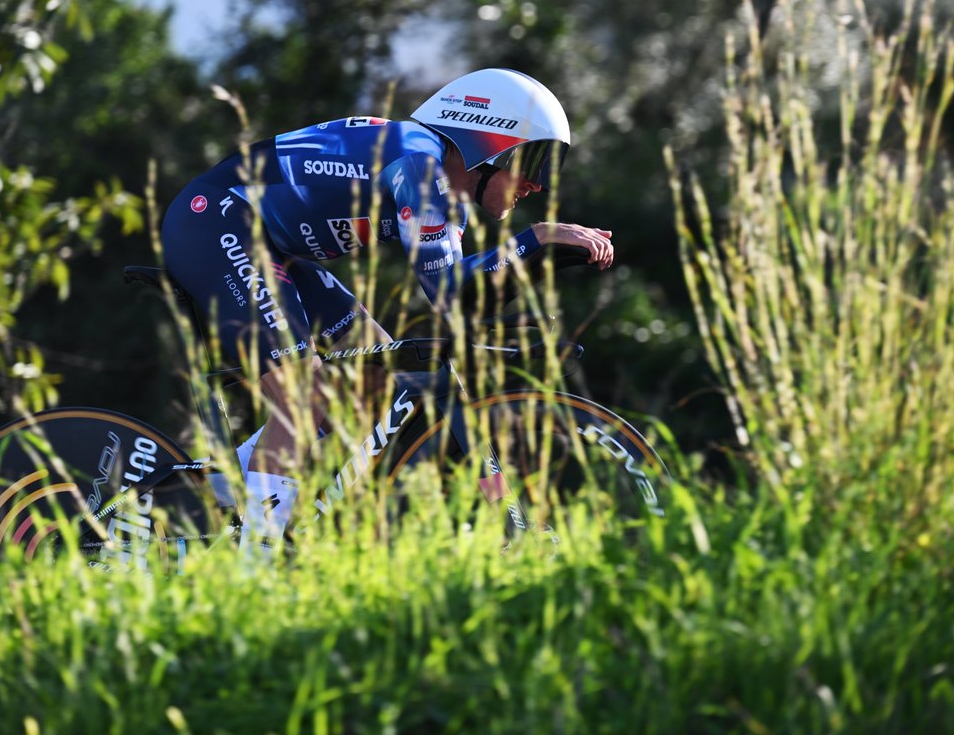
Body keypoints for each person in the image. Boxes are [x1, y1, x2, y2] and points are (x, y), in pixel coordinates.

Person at [160, 68, 614, 556]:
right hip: (216, 222)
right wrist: (535, 240)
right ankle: (257, 563)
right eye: (533, 160)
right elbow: (445, 289)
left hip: (275, 249)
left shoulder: (437, 186)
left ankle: (225, 490)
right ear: (489, 143)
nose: (536, 184)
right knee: (300, 396)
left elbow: (458, 297)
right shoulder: (417, 166)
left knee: (375, 373)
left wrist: (521, 281)